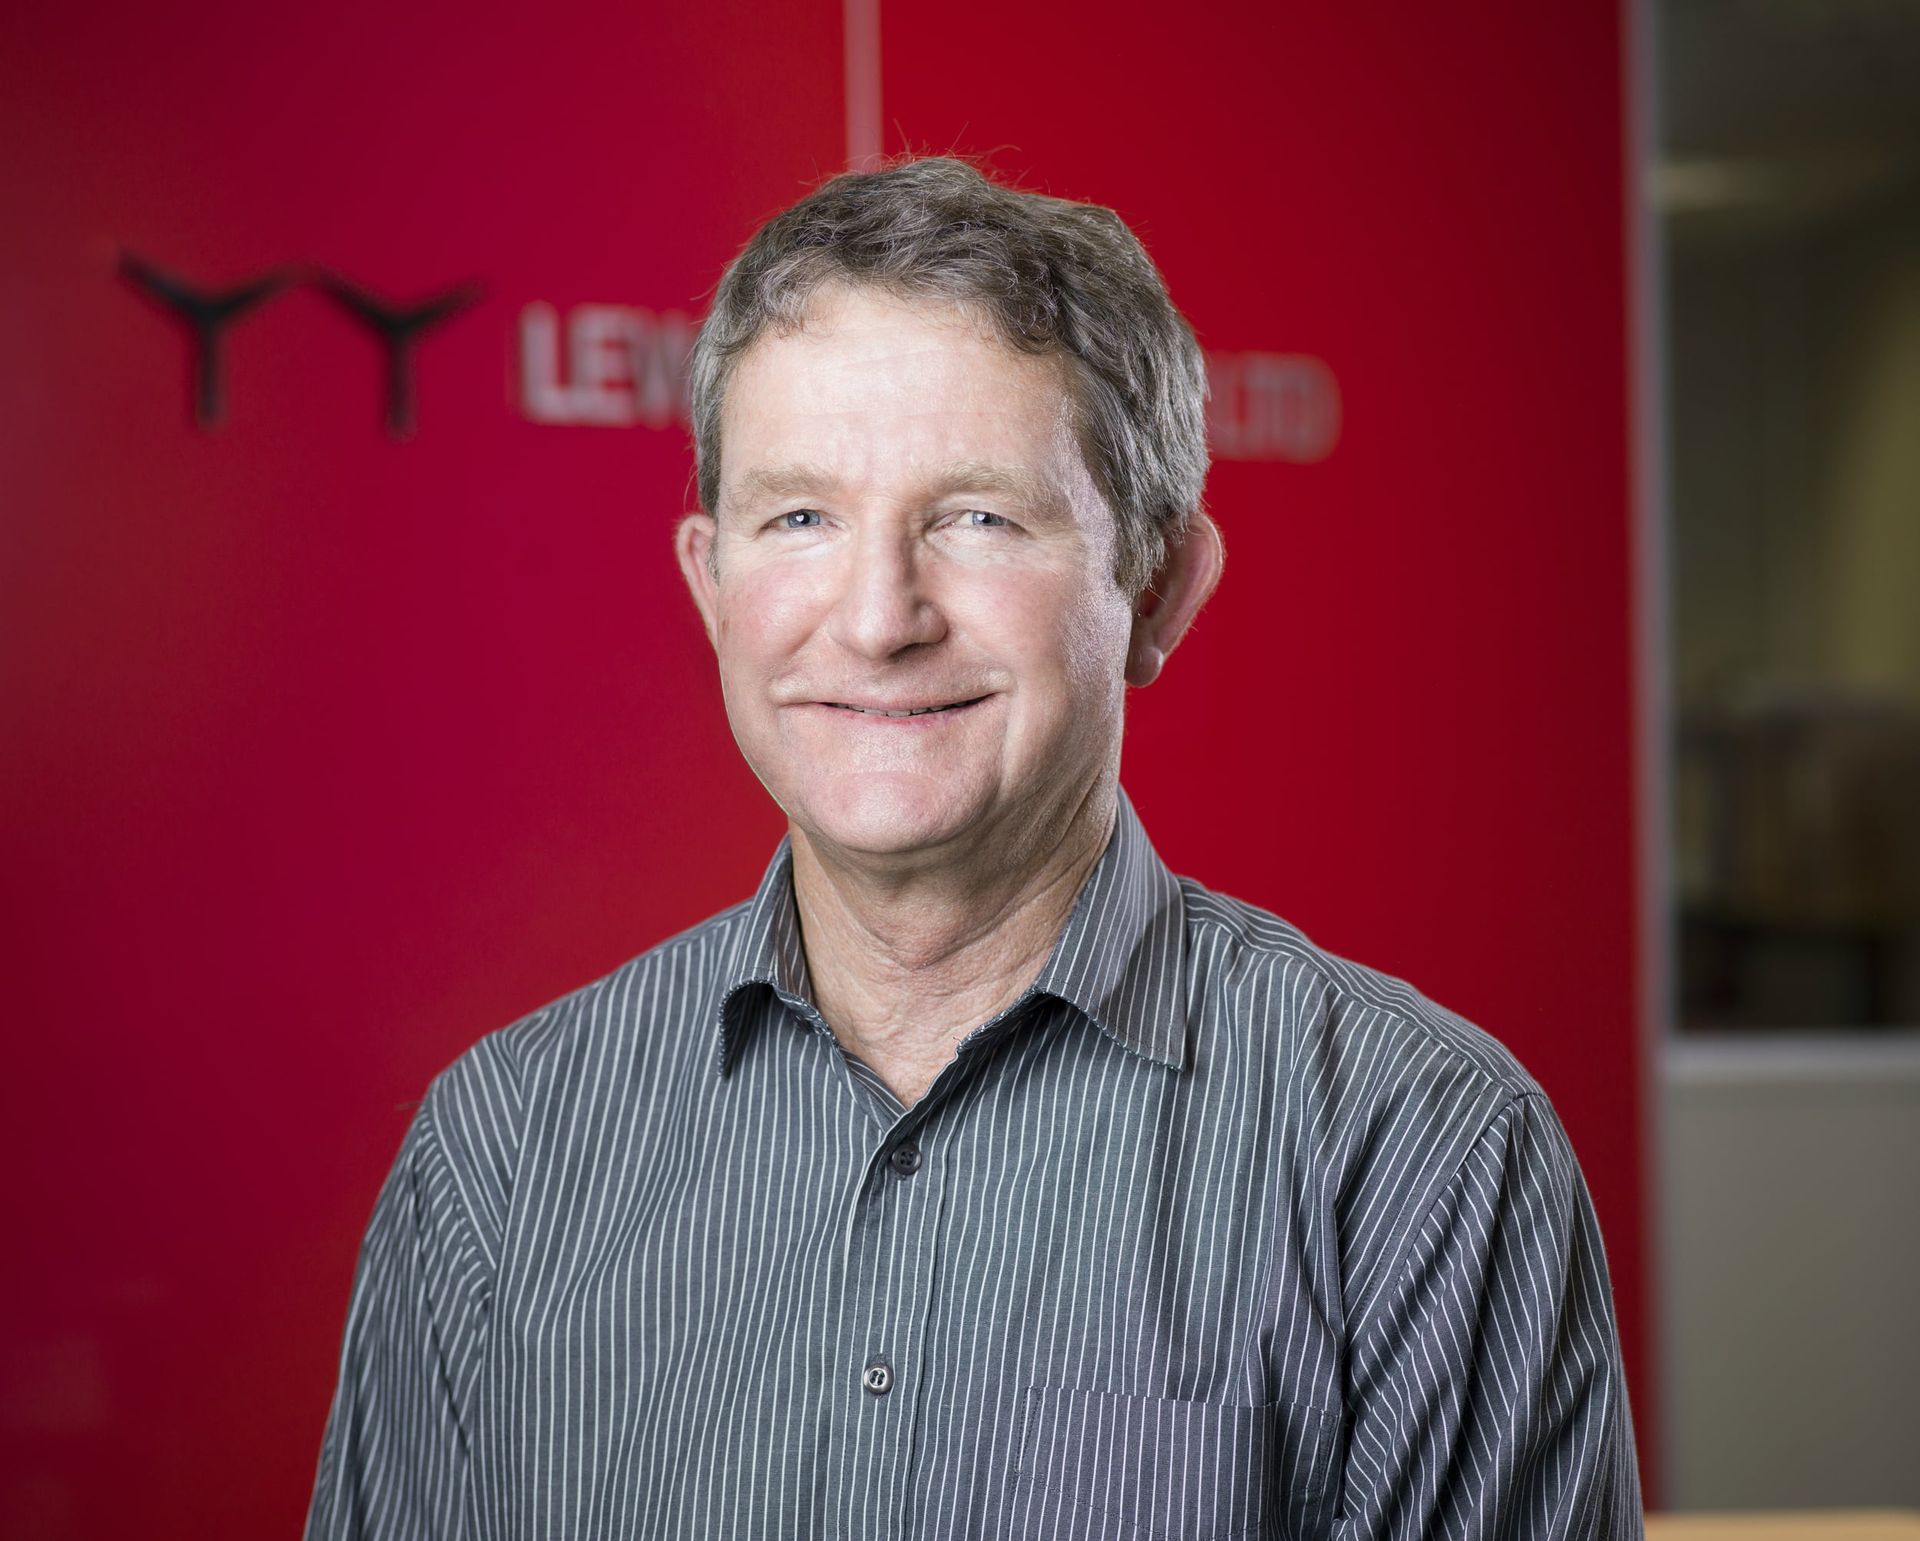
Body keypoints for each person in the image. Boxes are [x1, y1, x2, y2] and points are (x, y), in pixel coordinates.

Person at [303, 156, 1643, 1540]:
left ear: (1161, 588)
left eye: (979, 518)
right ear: (712, 583)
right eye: (802, 517)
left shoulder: (1421, 1161)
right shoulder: (506, 1154)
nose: (878, 616)